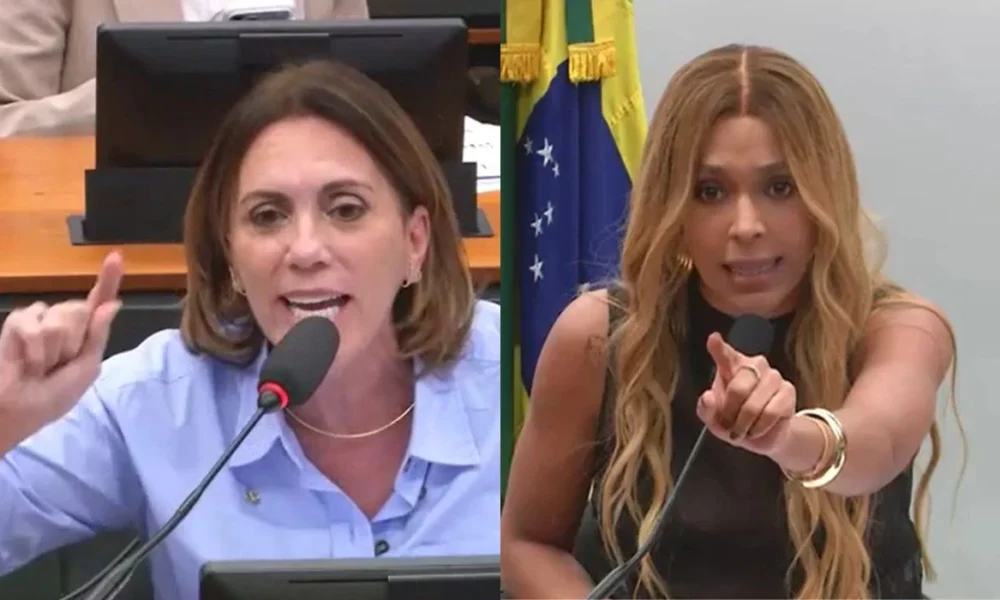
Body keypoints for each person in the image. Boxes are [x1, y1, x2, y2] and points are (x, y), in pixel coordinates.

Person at [0, 59, 500, 600]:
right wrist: (6, 418)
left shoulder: (519, 377)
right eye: (267, 216)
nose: (305, 250)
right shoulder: (156, 400)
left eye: (346, 209)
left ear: (414, 241)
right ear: (232, 258)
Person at [501, 44, 961, 600]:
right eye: (710, 191)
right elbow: (528, 542)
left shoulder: (900, 328)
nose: (746, 225)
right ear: (671, 203)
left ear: (825, 192)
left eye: (779, 187)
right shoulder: (599, 336)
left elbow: (878, 443)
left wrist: (788, 438)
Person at [0, 0, 370, 137]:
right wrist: (123, 102)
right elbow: (8, 124)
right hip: (121, 240)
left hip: (308, 237)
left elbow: (371, 106)